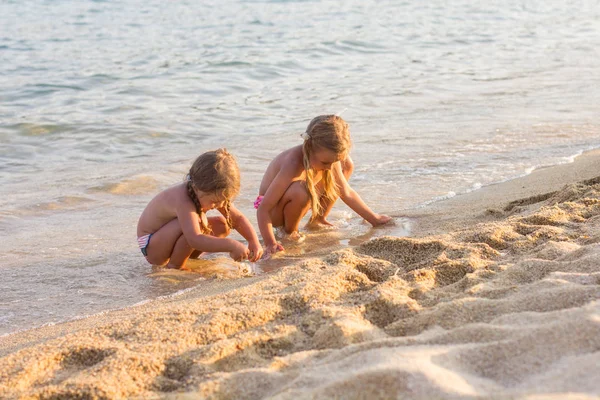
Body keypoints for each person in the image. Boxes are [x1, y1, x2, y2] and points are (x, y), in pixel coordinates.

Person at [255, 115, 392, 258]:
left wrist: (374, 219)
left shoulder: (326, 158)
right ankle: (289, 232)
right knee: (301, 191)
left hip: (296, 200)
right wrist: (270, 243)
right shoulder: (293, 164)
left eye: (334, 161)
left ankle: (318, 220)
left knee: (347, 165)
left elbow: (346, 192)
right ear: (309, 148)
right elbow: (264, 208)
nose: (330, 167)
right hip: (274, 213)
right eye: (326, 163)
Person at [137, 149, 263, 269]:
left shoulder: (210, 194)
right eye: (214, 202)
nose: (219, 205)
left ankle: (189, 257)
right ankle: (175, 266)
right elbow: (194, 238)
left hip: (171, 237)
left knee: (222, 224)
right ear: (197, 189)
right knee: (198, 223)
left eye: (223, 201)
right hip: (152, 247)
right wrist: (231, 245)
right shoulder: (183, 200)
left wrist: (253, 241)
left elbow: (238, 219)